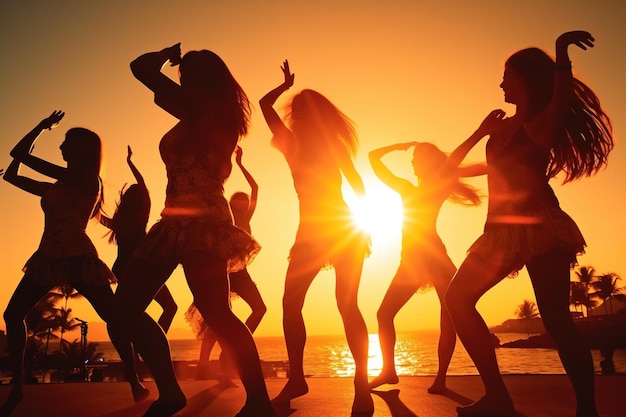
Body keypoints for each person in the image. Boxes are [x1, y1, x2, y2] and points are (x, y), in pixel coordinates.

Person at [445, 31, 613, 417]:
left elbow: (563, 96)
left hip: (540, 227)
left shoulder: (538, 124)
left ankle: (587, 409)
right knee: (457, 299)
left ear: (525, 80)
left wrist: (561, 50)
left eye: (507, 74)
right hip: (498, 232)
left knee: (556, 321)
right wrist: (479, 133)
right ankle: (498, 398)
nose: (501, 82)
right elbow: (454, 168)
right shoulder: (499, 131)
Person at [112, 43, 274, 417]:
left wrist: (168, 53)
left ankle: (259, 403)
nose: (183, 79)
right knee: (123, 310)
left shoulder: (213, 111)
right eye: (183, 75)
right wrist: (173, 62)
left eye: (191, 73)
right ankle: (170, 393)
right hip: (173, 219)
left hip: (205, 219)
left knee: (216, 312)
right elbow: (145, 74)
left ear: (212, 77)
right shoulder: (192, 111)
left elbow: (140, 67)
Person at [1, 111, 149, 416]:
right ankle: (17, 385)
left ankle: (135, 378)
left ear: (82, 150)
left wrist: (41, 127)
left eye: (67, 142)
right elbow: (12, 175)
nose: (61, 147)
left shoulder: (85, 179)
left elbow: (19, 152)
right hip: (49, 255)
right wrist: (18, 157)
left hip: (78, 256)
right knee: (13, 314)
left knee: (115, 317)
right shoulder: (56, 186)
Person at [260, 60, 373, 414]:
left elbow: (357, 184)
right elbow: (356, 184)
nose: (298, 118)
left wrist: (365, 225)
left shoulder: (297, 144)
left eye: (300, 111)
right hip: (334, 229)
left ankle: (358, 381)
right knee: (298, 305)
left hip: (335, 229)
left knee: (341, 305)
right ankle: (303, 378)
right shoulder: (308, 145)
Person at [367, 141, 482, 393]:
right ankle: (391, 371)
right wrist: (402, 146)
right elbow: (372, 157)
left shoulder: (435, 186)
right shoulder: (407, 188)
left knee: (448, 319)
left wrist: (479, 132)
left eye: (416, 158)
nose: (411, 162)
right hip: (415, 259)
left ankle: (437, 379)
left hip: (431, 259)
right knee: (385, 314)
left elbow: (452, 162)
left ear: (426, 164)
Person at [186, 145, 267, 385]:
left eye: (245, 203)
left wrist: (241, 163)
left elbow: (255, 189)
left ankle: (230, 349)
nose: (243, 205)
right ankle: (206, 364)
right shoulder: (225, 220)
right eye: (238, 202)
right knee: (217, 317)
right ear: (231, 206)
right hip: (222, 272)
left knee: (259, 308)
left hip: (241, 273)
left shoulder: (246, 218)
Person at [100, 145, 177, 332]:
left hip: (121, 268)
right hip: (139, 268)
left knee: (126, 314)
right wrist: (130, 163)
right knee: (168, 307)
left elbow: (99, 216)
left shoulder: (119, 223)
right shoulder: (141, 218)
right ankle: (151, 346)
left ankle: (142, 349)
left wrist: (95, 196)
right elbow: (143, 185)